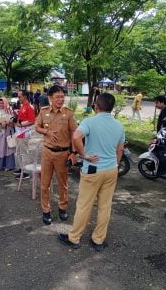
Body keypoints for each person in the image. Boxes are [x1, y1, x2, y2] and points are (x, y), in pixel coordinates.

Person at [58, 93, 125, 251]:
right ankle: (98, 240)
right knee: (105, 206)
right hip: (111, 169)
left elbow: (76, 137)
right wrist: (114, 164)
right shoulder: (119, 126)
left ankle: (74, 238)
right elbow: (120, 149)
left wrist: (84, 155)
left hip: (93, 170)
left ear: (96, 106)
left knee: (84, 205)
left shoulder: (89, 121)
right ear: (112, 108)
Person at [35, 85, 78, 225]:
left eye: (62, 96)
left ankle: (62, 207)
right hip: (47, 152)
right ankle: (46, 210)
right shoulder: (43, 112)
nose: (60, 99)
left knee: (63, 184)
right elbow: (37, 127)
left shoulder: (69, 113)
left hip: (63, 153)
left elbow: (74, 134)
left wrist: (73, 152)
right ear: (50, 98)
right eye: (57, 97)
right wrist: (46, 132)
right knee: (44, 184)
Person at [13, 90, 35, 180]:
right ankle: (22, 168)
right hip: (19, 132)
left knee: (23, 152)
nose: (18, 98)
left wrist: (21, 125)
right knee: (18, 152)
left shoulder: (29, 107)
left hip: (24, 132)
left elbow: (32, 121)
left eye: (20, 96)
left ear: (25, 96)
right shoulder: (23, 106)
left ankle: (25, 172)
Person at [0, 97, 16, 171]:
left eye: (2, 103)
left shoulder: (9, 111)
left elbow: (13, 122)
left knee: (8, 149)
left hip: (7, 133)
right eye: (0, 103)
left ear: (5, 103)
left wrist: (7, 123)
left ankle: (9, 166)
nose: (1, 104)